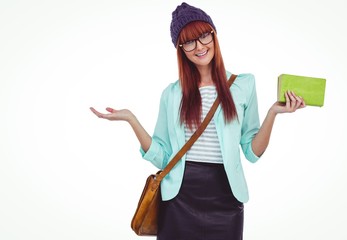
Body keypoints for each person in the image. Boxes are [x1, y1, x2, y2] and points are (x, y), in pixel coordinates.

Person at [90, 2, 305, 240]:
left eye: (204, 36)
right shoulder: (172, 94)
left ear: (214, 35)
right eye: (189, 41)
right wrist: (131, 119)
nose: (199, 46)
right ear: (180, 49)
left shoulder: (243, 84)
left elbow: (252, 153)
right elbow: (162, 157)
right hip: (179, 197)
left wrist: (273, 112)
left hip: (226, 195)